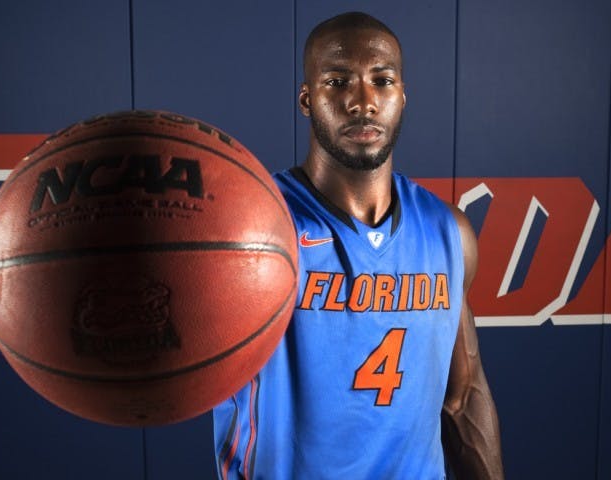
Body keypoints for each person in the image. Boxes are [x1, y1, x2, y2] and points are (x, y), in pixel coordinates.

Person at [213, 11, 504, 479]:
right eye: (337, 81)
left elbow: (463, 398)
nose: (362, 101)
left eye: (382, 81)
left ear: (402, 97)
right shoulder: (252, 228)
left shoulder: (448, 232)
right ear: (307, 99)